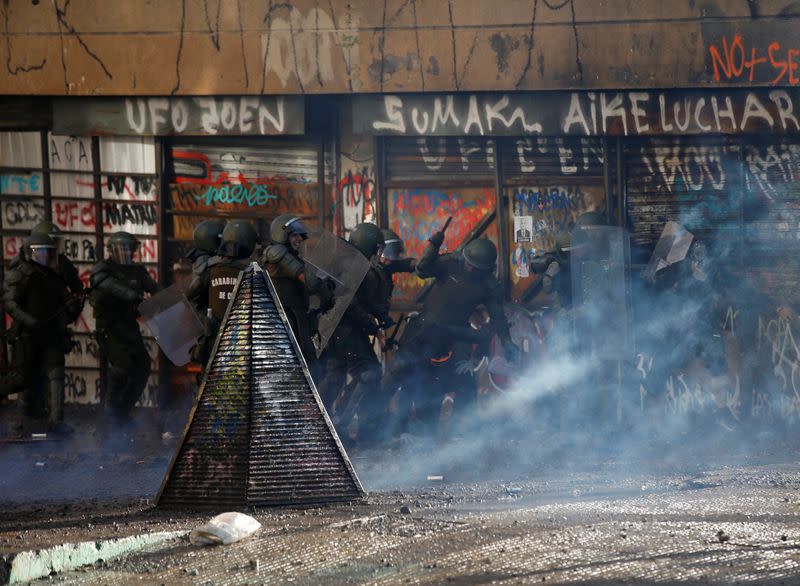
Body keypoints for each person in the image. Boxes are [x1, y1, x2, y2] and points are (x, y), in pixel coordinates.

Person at [382, 232, 519, 438]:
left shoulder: (488, 286)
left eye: (476, 267)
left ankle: (460, 434)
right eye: (469, 263)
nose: (470, 268)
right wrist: (432, 246)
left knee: (458, 379)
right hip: (423, 330)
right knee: (400, 371)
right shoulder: (450, 263)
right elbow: (422, 270)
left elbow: (498, 318)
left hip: (454, 337)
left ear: (485, 269)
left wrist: (507, 343)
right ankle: (375, 422)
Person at [3, 232, 82, 433]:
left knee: (56, 373)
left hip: (50, 335)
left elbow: (66, 308)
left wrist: (76, 304)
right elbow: (10, 303)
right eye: (42, 252)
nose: (46, 257)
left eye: (49, 253)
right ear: (32, 253)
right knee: (22, 379)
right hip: (27, 337)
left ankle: (57, 421)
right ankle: (25, 417)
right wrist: (30, 321)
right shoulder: (22, 274)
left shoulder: (54, 278)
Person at [320, 223, 391, 430]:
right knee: (369, 373)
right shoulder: (351, 265)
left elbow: (361, 298)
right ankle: (340, 424)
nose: (378, 254)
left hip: (335, 329)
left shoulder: (349, 261)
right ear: (368, 245)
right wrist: (372, 326)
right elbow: (350, 304)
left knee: (335, 374)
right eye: (376, 248)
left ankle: (319, 422)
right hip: (345, 330)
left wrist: (380, 315)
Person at [89, 231, 159, 424]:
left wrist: (170, 301)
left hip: (129, 325)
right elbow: (109, 286)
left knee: (143, 366)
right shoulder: (103, 270)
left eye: (129, 250)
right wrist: (133, 295)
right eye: (122, 250)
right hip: (109, 327)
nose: (126, 254)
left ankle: (122, 411)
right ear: (112, 251)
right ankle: (110, 411)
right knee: (123, 366)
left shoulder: (137, 271)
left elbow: (154, 288)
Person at [262, 214, 333, 367]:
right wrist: (324, 290)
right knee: (303, 364)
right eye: (294, 235)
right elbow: (310, 282)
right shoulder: (278, 254)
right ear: (282, 235)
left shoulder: (290, 255)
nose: (299, 239)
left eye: (300, 235)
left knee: (309, 363)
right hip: (287, 318)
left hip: (295, 316)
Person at [186, 219, 258, 368]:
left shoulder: (211, 269)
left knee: (210, 381)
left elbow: (190, 297)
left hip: (215, 339)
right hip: (243, 341)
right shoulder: (253, 272)